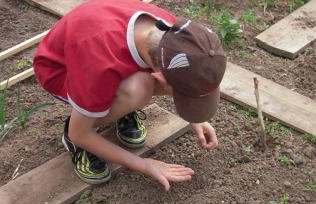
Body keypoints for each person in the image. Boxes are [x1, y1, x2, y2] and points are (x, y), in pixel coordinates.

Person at [33, 0, 227, 191]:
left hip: (103, 55)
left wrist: (195, 119)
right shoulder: (99, 65)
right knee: (138, 90)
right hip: (60, 71)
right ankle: (81, 132)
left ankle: (118, 107)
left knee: (140, 87)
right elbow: (79, 133)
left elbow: (183, 74)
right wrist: (145, 164)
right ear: (160, 78)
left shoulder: (174, 34)